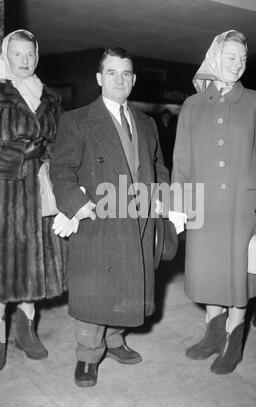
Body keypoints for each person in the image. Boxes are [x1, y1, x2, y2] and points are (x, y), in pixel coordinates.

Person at [50, 47, 169, 387]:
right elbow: (61, 170)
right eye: (113, 73)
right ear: (100, 78)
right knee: (95, 291)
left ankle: (114, 339)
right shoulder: (76, 120)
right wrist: (75, 204)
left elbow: (158, 166)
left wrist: (163, 197)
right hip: (99, 221)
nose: (120, 80)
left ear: (134, 79)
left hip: (138, 220)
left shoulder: (146, 123)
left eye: (126, 74)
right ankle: (88, 355)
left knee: (128, 286)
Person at [171, 30, 256, 375]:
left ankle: (233, 341)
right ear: (214, 58)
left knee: (238, 278)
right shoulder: (192, 105)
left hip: (243, 208)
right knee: (208, 274)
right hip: (204, 207)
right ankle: (212, 333)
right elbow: (181, 160)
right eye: (230, 57)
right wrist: (177, 203)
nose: (237, 65)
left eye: (243, 59)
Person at [0, 29, 66, 371]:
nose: (24, 61)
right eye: (17, 54)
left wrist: (48, 154)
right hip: (4, 197)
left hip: (40, 193)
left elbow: (63, 143)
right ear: (6, 56)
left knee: (31, 268)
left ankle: (26, 331)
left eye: (30, 54)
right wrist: (18, 153)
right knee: (2, 270)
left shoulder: (51, 97)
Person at [156, 109, 176, 174]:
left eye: (167, 117)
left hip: (169, 156)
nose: (166, 118)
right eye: (164, 117)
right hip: (161, 154)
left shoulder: (172, 129)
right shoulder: (158, 128)